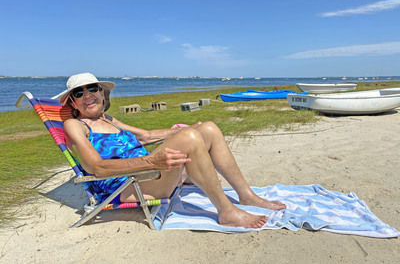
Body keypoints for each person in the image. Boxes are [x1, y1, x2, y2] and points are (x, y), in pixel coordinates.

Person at [61, 72, 286, 229]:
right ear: (72, 103)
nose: (87, 95)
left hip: (149, 173)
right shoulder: (76, 125)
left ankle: (246, 196)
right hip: (124, 185)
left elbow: (146, 136)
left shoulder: (108, 119)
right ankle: (227, 212)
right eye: (78, 93)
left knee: (207, 128)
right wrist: (152, 162)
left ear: (102, 93)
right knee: (189, 137)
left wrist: (189, 129)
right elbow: (97, 168)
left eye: (91, 89)